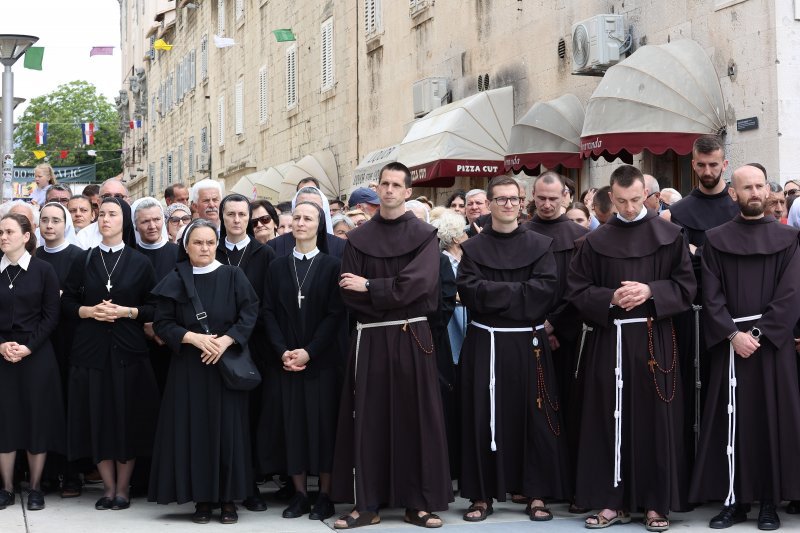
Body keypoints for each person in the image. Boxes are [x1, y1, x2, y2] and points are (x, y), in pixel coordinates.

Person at [566, 165, 696, 531]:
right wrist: (610, 297)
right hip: (610, 340)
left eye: (635, 200)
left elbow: (687, 286)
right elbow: (576, 288)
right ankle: (610, 502)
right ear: (611, 196)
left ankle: (656, 504)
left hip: (655, 339)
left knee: (656, 420)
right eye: (620, 201)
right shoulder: (595, 241)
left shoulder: (669, 235)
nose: (627, 207)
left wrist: (651, 290)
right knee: (608, 417)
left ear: (647, 196)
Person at [332, 162, 452, 529]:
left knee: (416, 417)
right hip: (370, 337)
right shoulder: (358, 239)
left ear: (407, 192)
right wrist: (386, 292)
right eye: (383, 184)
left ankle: (418, 502)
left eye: (396, 185)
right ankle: (367, 504)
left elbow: (420, 287)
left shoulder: (424, 235)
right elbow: (347, 292)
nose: (388, 190)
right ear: (377, 188)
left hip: (412, 336)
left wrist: (372, 286)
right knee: (369, 419)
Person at [690, 165, 800, 530]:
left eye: (759, 186)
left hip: (771, 348)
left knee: (771, 422)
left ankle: (769, 501)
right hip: (730, 346)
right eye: (746, 187)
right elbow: (711, 294)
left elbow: (791, 294)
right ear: (733, 194)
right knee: (729, 423)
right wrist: (731, 335)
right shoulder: (716, 239)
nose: (755, 192)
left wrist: (761, 334)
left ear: (767, 192)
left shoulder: (788, 239)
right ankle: (733, 500)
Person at [458, 176, 566, 523]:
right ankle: (480, 495)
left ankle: (536, 494)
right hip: (485, 342)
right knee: (480, 416)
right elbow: (470, 292)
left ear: (523, 203)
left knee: (535, 416)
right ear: (488, 204)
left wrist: (497, 294)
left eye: (513, 199)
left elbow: (544, 291)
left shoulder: (540, 244)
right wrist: (517, 293)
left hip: (527, 343)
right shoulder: (473, 248)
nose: (507, 205)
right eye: (500, 199)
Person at [148, 219, 259, 524]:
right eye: (198, 242)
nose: (205, 248)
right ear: (186, 246)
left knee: (229, 432)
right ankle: (202, 501)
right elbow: (162, 323)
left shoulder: (234, 275)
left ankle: (228, 500)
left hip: (225, 366)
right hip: (189, 368)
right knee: (193, 432)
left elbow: (250, 313)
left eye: (210, 242)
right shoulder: (175, 278)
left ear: (217, 245)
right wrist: (193, 338)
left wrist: (225, 340)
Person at [61, 197, 160, 511]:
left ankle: (123, 488)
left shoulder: (140, 261)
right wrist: (89, 311)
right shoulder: (85, 259)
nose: (105, 219)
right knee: (97, 417)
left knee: (126, 418)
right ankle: (107, 488)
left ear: (124, 221)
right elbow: (66, 304)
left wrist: (126, 312)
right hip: (91, 352)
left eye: (112, 214)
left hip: (128, 352)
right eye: (101, 214)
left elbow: (153, 307)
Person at [261, 202, 346, 521]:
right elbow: (267, 311)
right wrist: (282, 350)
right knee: (292, 426)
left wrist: (310, 351)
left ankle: (324, 495)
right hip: (286, 360)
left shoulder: (331, 265)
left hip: (321, 362)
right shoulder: (277, 266)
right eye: (296, 218)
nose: (300, 223)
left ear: (318, 225)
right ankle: (298, 494)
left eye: (307, 218)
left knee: (323, 429)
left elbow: (335, 315)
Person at [662, 135, 739, 477]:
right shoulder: (679, 213)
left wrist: (700, 252)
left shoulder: (739, 208)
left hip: (734, 314)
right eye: (701, 165)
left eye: (714, 164)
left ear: (725, 165)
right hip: (690, 316)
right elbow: (682, 267)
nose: (708, 171)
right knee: (692, 390)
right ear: (692, 165)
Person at [524, 172, 591, 504]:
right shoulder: (521, 235)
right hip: (528, 334)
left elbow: (580, 289)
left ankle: (572, 481)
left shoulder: (581, 238)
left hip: (572, 336)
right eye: (541, 198)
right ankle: (535, 481)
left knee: (572, 407)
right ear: (532, 197)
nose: (547, 204)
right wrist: (538, 326)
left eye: (554, 198)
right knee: (533, 410)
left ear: (567, 196)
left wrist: (555, 326)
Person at [215, 193, 276, 512]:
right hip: (214, 348)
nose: (237, 220)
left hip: (253, 347)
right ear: (222, 218)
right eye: (231, 214)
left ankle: (249, 484)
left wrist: (240, 335)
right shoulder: (211, 249)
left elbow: (266, 303)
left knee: (251, 418)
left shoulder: (264, 255)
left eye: (242, 215)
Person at [0, 213, 64, 512]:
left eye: (9, 232)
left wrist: (27, 347)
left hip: (37, 355)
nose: (3, 237)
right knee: (5, 422)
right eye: (0, 232)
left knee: (37, 421)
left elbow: (51, 316)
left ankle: (36, 487)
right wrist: (1, 345)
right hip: (2, 355)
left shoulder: (44, 270)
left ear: (26, 236)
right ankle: (7, 487)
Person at [36, 203, 85, 498]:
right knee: (45, 405)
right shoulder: (33, 257)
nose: (50, 225)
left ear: (65, 224)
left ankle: (71, 474)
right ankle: (48, 473)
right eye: (45, 220)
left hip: (69, 338)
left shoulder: (78, 257)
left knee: (69, 402)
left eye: (56, 220)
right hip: (42, 341)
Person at [132, 197, 179, 394]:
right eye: (145, 221)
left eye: (157, 220)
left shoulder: (180, 254)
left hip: (173, 339)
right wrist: (145, 325)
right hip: (137, 338)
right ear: (135, 225)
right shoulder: (129, 255)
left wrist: (164, 328)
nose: (152, 226)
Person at [268, 187, 346, 259]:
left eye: (314, 205)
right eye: (302, 204)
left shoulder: (341, 246)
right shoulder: (274, 246)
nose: (307, 209)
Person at [76, 179, 130, 250]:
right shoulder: (84, 236)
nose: (112, 200)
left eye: (118, 196)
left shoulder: (140, 230)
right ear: (98, 202)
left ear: (128, 202)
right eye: (107, 196)